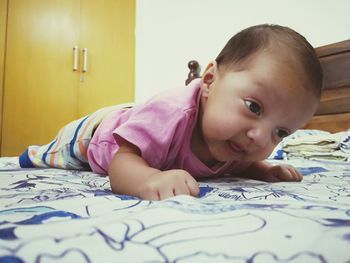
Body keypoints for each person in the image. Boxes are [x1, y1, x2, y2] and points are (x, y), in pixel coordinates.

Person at [19, 24, 323, 200]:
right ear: (209, 81)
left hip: (139, 120)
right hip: (99, 132)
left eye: (280, 132)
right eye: (254, 107)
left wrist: (264, 170)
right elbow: (121, 164)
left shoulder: (235, 142)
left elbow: (234, 166)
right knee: (65, 152)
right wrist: (149, 179)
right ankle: (36, 152)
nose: (259, 138)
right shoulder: (171, 113)